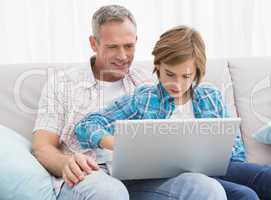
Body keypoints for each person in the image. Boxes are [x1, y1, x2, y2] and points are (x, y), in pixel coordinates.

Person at [75, 25, 271, 200]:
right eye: (170, 74)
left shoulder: (210, 95)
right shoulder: (144, 98)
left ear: (197, 73)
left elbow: (237, 152)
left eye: (186, 76)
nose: (178, 84)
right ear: (158, 65)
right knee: (245, 196)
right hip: (170, 177)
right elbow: (87, 125)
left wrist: (212, 149)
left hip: (215, 169)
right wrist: (116, 142)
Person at [32, 5, 226, 200]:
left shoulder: (148, 82)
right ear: (94, 43)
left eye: (129, 46)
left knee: (206, 188)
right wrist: (65, 163)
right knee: (111, 192)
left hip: (143, 179)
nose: (123, 56)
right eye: (112, 47)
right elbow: (41, 147)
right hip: (89, 176)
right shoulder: (64, 83)